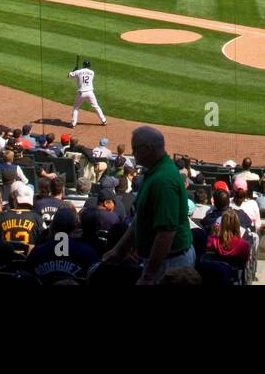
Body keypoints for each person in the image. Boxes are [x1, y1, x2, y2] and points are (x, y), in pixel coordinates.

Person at [102, 126, 193, 284]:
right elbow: (141, 217)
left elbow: (166, 233)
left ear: (149, 149)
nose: (133, 152)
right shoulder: (155, 172)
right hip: (161, 260)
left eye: (135, 149)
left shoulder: (163, 180)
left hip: (170, 262)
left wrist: (148, 275)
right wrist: (119, 249)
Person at [68, 58, 106, 128]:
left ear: (83, 65)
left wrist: (74, 70)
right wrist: (76, 72)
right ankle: (104, 120)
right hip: (90, 93)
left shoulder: (78, 71)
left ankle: (73, 123)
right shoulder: (92, 72)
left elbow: (69, 76)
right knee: (96, 106)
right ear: (89, 66)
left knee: (76, 108)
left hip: (81, 93)